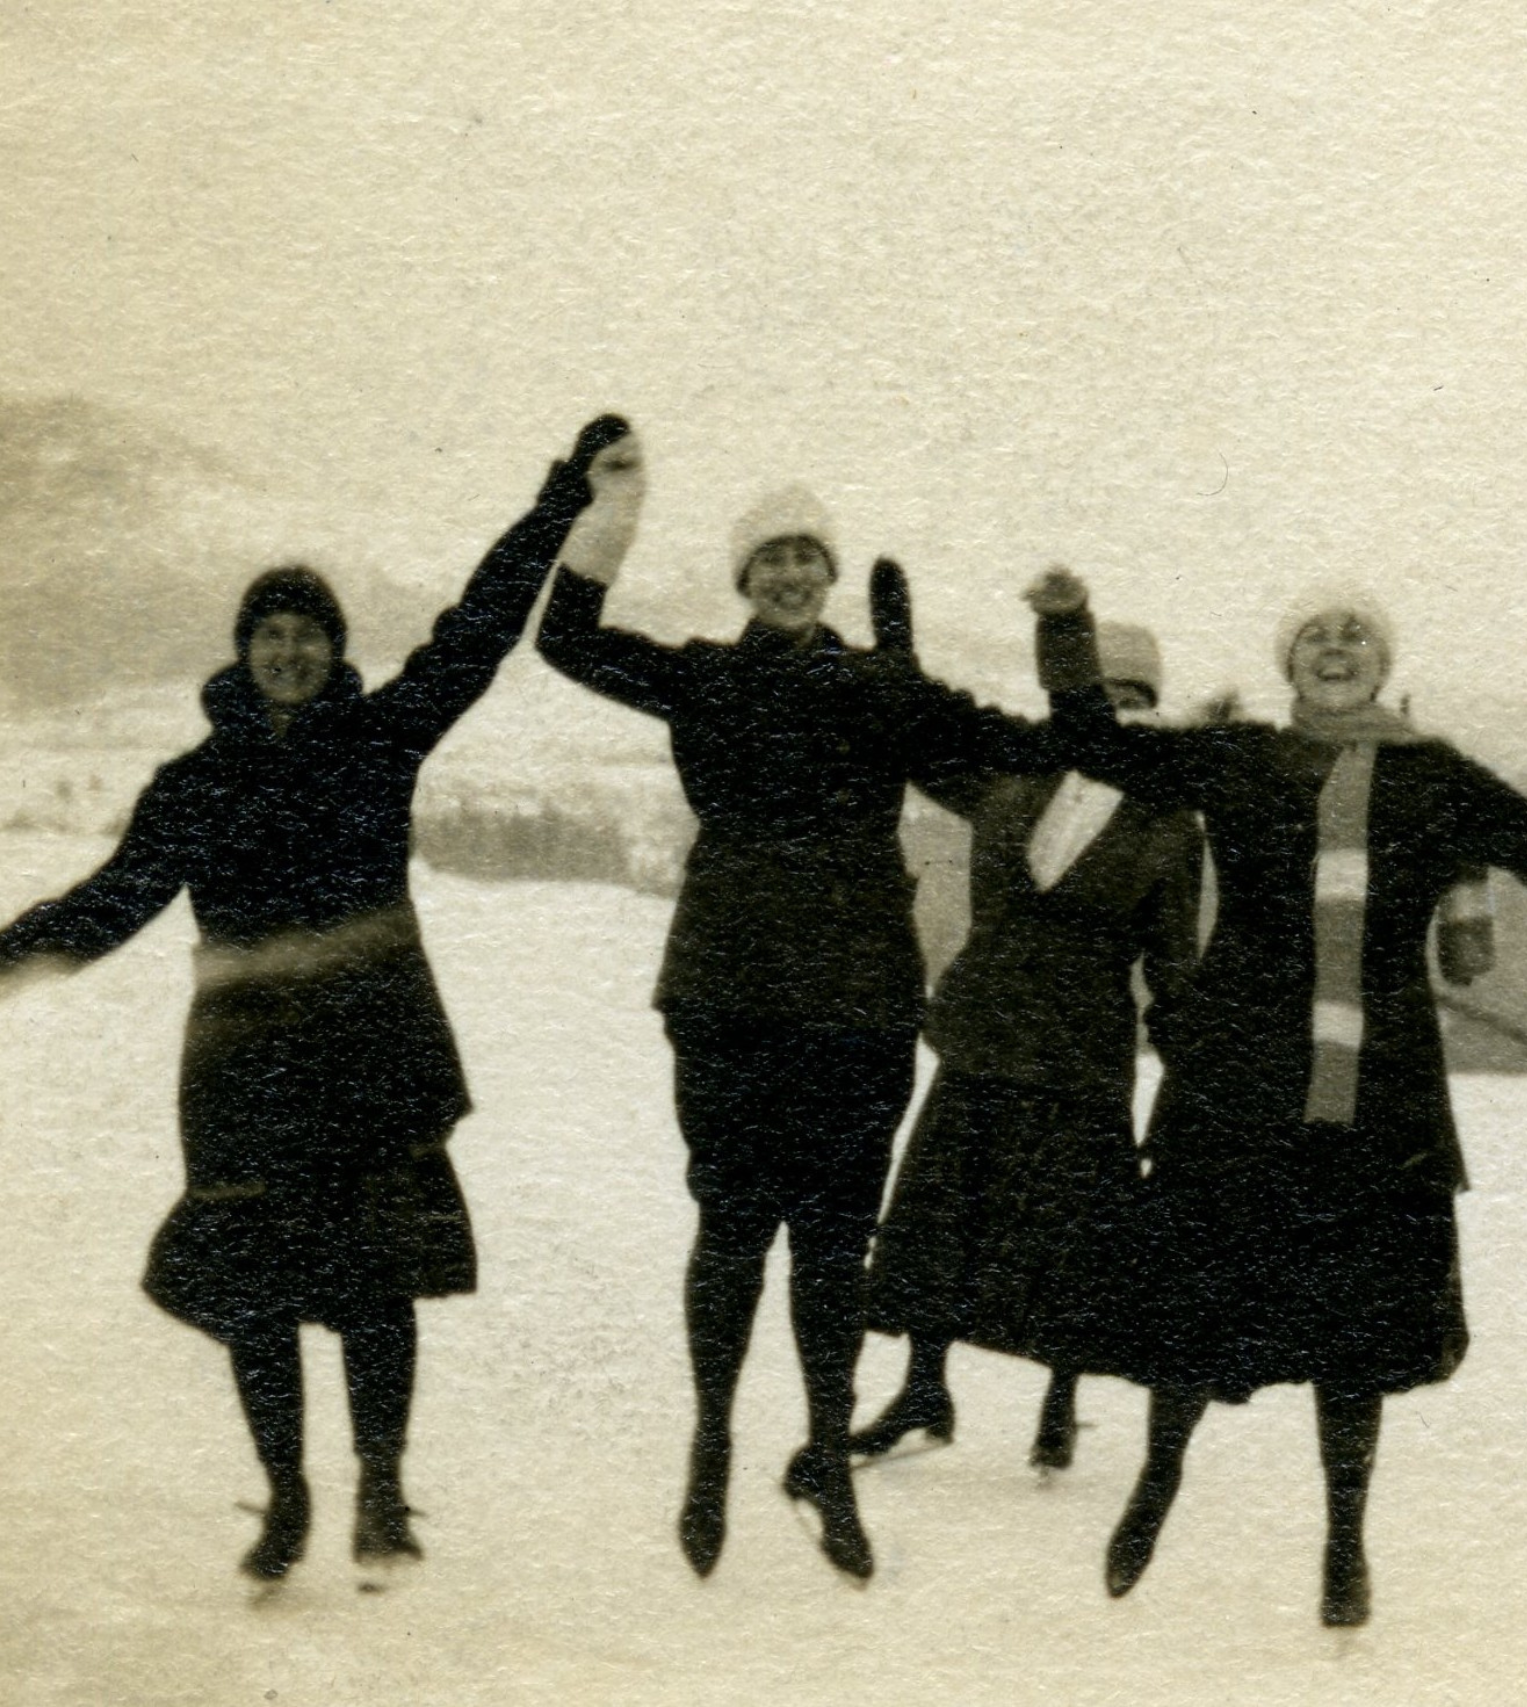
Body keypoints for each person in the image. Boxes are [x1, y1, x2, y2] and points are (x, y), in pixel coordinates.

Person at [1021, 568, 1527, 1626]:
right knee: (1201, 1301)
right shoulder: (1240, 755)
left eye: (1357, 637)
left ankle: (1344, 1540)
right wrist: (1067, 627)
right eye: (1317, 634)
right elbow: (1096, 740)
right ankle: (1159, 1475)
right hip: (1240, 1077)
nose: (1337, 647)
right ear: (1289, 660)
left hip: (1378, 1091)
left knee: (1351, 1327)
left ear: (1383, 663)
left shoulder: (1433, 774)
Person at [0, 415, 629, 1580]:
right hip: (244, 1072)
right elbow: (112, 902)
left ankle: (381, 1491)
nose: (289, 652)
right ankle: (288, 1496)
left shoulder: (378, 740)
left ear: (336, 650)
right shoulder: (191, 785)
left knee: (377, 1284)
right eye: (271, 634)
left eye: (308, 634)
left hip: (372, 1054)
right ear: (244, 650)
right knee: (256, 1295)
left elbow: (477, 631)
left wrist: (558, 503)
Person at [535, 469, 1060, 1580]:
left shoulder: (880, 687)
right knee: (730, 1227)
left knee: (832, 1241)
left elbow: (1005, 765)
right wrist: (607, 525)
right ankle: (712, 1445)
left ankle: (826, 1453)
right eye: (769, 558)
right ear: (743, 577)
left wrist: (1113, 725)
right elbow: (565, 641)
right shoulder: (705, 675)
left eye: (806, 557)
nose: (788, 574)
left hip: (859, 1000)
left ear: (829, 575)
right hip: (727, 991)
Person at [852, 621, 1203, 1471]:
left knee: (1076, 1240)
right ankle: (924, 1387)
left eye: (1134, 698)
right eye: (1102, 694)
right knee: (939, 1219)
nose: (1115, 713)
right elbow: (915, 746)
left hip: (1081, 1057)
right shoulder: (1010, 776)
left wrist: (1200, 1062)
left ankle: (1061, 1402)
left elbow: (1173, 959)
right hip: (984, 1030)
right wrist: (895, 664)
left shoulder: (1169, 824)